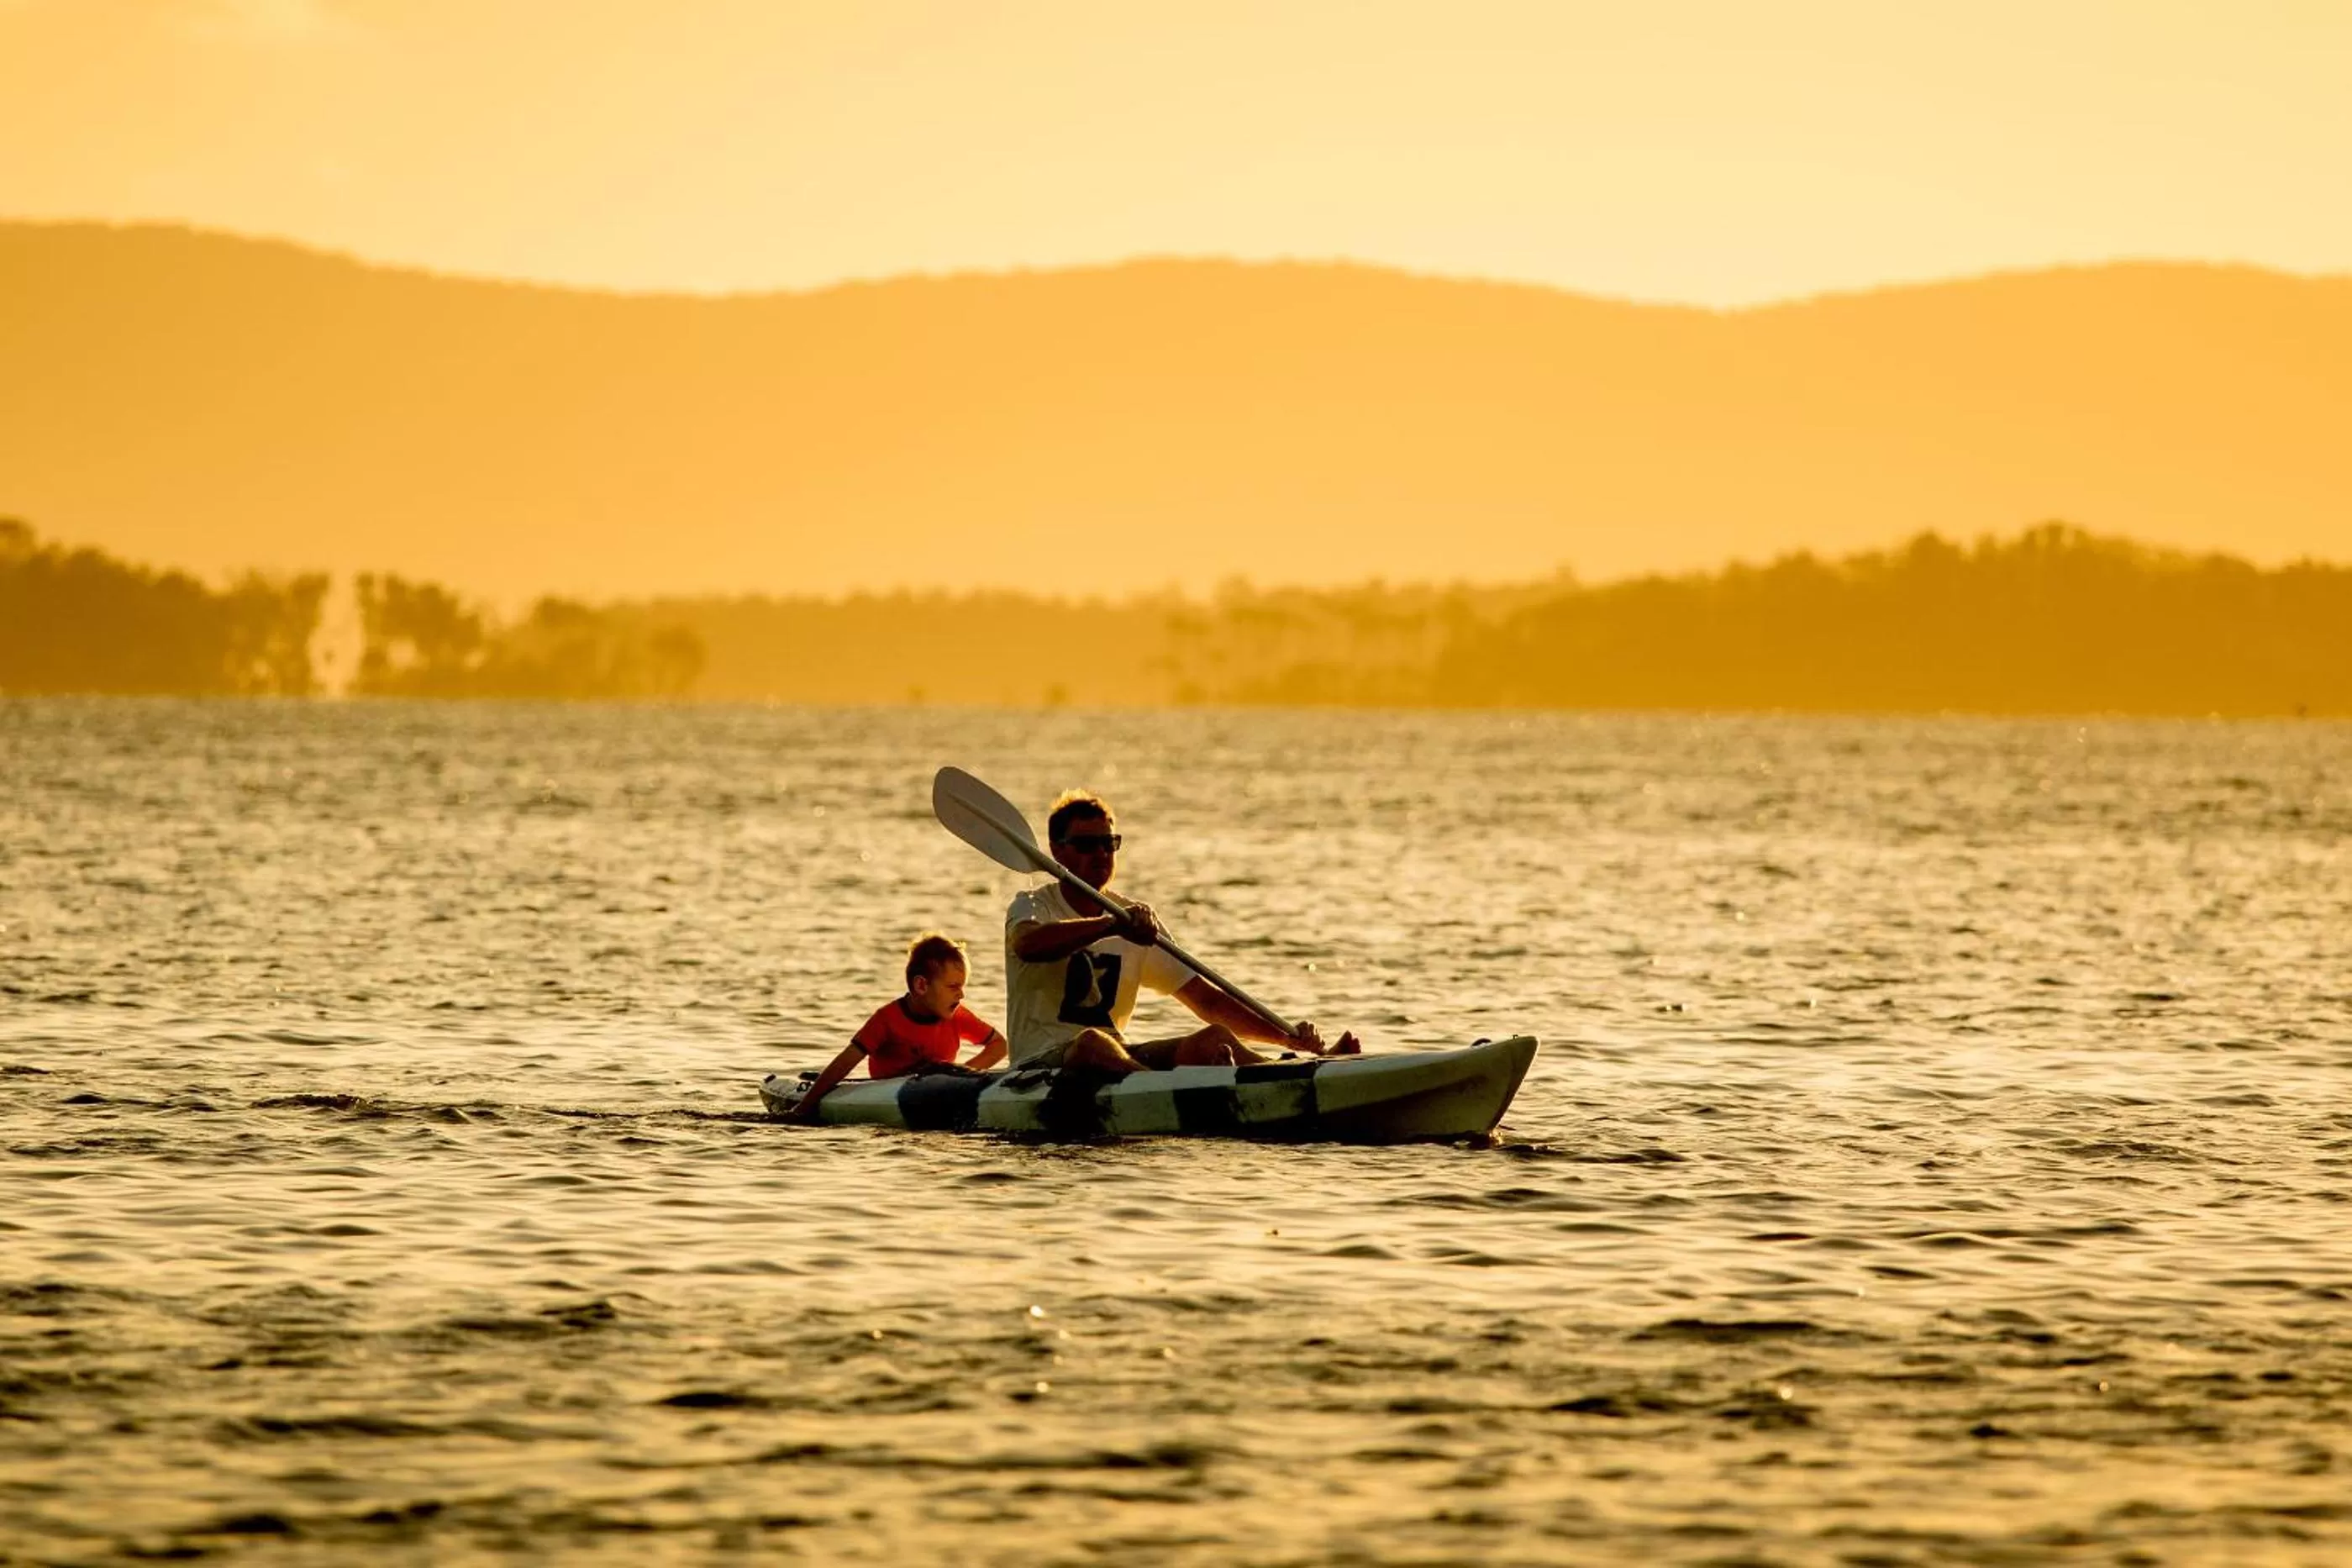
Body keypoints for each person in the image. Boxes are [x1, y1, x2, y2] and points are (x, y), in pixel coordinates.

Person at [1003, 790, 1360, 1073]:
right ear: (1057, 852)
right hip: (1040, 1066)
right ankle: (1150, 1085)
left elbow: (1208, 1001)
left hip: (1117, 1056)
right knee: (1092, 1042)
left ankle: (1291, 1070)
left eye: (1109, 843)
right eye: (1086, 845)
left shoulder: (1133, 917)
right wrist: (1111, 925)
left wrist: (1286, 1038)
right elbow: (1029, 946)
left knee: (1213, 1039)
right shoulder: (1032, 905)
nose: (1100, 854)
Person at [791, 933, 1007, 1123]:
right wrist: (802, 1109)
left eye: (962, 987)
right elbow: (845, 1061)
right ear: (921, 985)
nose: (961, 995)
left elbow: (999, 1045)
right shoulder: (887, 1019)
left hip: (935, 1094)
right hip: (887, 1097)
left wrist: (958, 1077)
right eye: (953, 987)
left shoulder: (956, 1016)